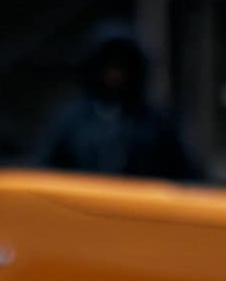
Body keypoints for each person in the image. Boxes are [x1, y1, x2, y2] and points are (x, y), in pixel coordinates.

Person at [39, 25, 200, 181]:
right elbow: (46, 172)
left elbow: (186, 177)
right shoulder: (71, 121)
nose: (115, 74)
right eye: (109, 65)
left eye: (122, 66)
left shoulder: (157, 124)